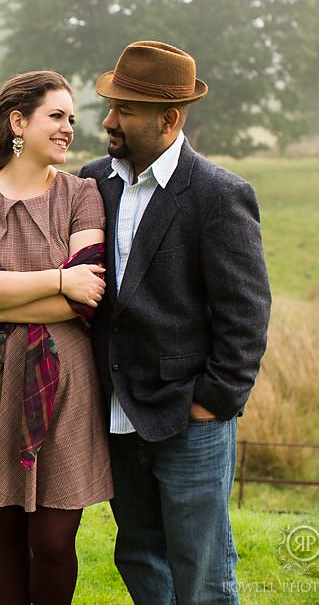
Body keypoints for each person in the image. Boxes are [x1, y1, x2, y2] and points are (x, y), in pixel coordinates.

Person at [79, 41, 272, 604]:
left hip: (191, 420)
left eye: (125, 111)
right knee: (138, 553)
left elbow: (245, 314)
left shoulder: (219, 194)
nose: (109, 120)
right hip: (115, 413)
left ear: (169, 119)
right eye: (111, 106)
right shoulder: (93, 181)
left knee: (201, 570)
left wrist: (212, 402)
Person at [0, 70, 113, 605]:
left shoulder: (82, 194)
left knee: (54, 540)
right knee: (5, 531)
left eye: (72, 119)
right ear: (18, 122)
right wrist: (58, 280)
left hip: (67, 381)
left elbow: (88, 293)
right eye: (56, 116)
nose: (68, 129)